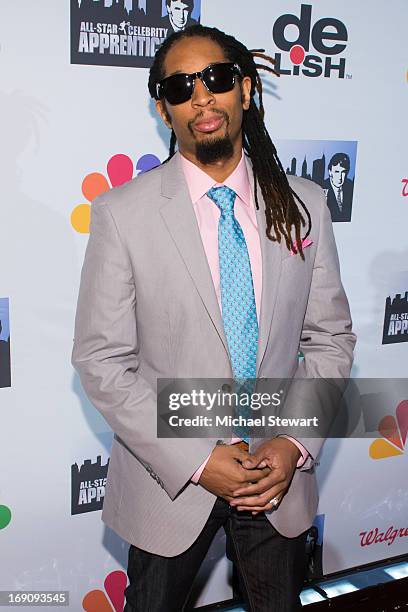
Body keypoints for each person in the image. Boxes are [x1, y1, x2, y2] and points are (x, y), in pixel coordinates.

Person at [71, 24, 356, 612]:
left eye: (217, 78)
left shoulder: (303, 206)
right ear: (163, 108)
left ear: (245, 90)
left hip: (278, 480)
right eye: (181, 87)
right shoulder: (123, 214)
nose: (201, 96)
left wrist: (293, 443)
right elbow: (102, 360)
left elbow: (329, 337)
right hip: (168, 487)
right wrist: (199, 460)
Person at [323, 153, 354, 222]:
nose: (340, 177)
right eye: (336, 172)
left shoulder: (350, 186)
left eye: (343, 172)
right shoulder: (321, 187)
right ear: (330, 172)